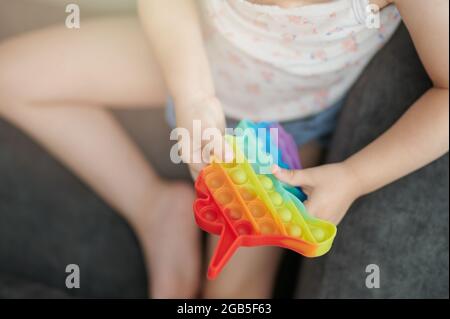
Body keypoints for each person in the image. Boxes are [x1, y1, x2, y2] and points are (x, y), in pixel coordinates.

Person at [0, 0, 447, 298]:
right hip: (185, 61)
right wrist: (193, 93)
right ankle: (152, 207)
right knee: (10, 77)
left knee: (235, 297)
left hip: (281, 131)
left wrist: (354, 177)